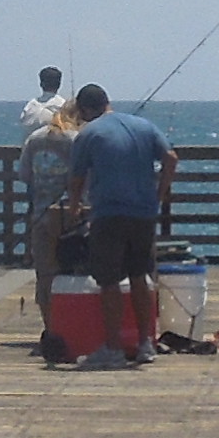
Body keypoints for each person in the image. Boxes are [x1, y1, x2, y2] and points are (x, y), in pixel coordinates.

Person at [65, 80, 176, 369]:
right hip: (143, 214)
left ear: (85, 110)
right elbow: (170, 158)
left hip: (109, 214)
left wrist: (74, 207)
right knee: (140, 276)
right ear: (107, 102)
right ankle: (145, 343)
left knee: (109, 280)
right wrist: (159, 195)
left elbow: (76, 179)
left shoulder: (88, 134)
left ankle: (113, 347)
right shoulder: (144, 126)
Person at [15, 65, 78, 354]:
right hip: (70, 213)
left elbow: (25, 176)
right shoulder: (74, 139)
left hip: (40, 208)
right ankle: (72, 326)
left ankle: (50, 329)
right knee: (73, 268)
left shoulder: (32, 128)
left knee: (45, 272)